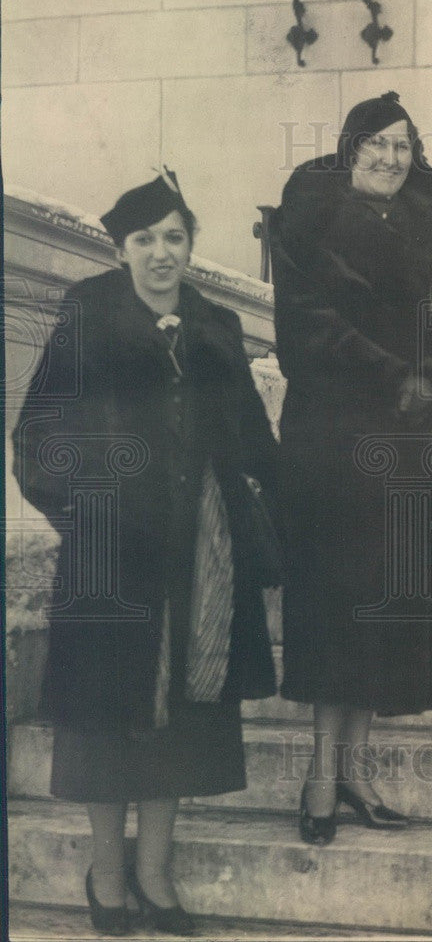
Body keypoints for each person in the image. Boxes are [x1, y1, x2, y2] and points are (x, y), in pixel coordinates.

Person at [13, 170, 279, 935]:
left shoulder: (218, 326)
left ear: (190, 243)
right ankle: (105, 871)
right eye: (144, 239)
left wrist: (274, 504)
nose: (160, 253)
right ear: (120, 247)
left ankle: (156, 874)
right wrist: (85, 513)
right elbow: (36, 435)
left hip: (204, 556)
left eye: (173, 236)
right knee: (104, 716)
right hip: (111, 561)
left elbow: (255, 439)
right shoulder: (87, 313)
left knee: (184, 721)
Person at [272, 92, 432, 843]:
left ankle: (356, 773)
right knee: (337, 610)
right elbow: (306, 328)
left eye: (404, 146)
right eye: (378, 145)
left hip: (410, 446)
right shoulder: (310, 218)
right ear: (349, 147)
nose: (392, 159)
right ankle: (318, 780)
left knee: (380, 616)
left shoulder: (428, 226)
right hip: (334, 446)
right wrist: (397, 372)